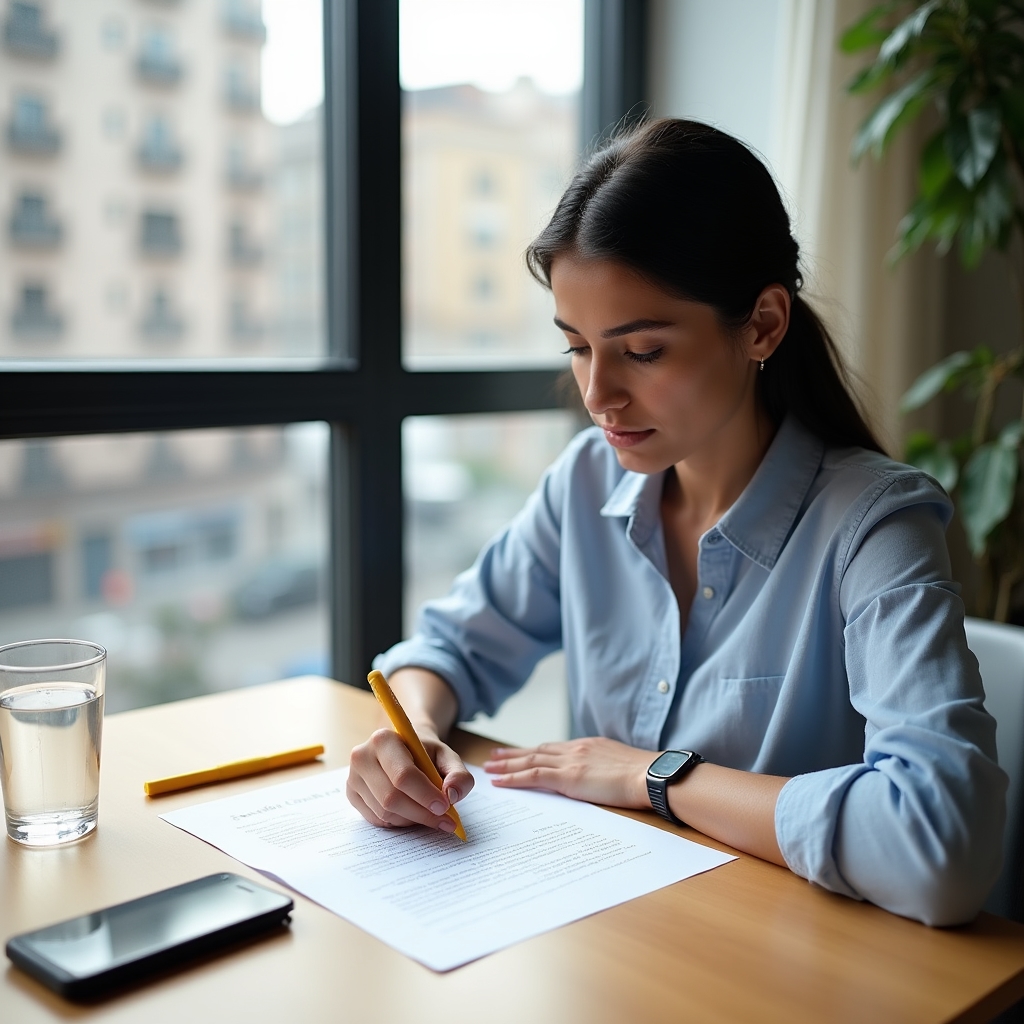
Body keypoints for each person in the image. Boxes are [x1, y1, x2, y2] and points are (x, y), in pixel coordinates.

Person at [347, 118, 1006, 926]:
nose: (597, 396)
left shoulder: (875, 526)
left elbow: (940, 848)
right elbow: (446, 649)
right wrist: (411, 735)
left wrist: (651, 775)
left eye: (643, 351)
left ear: (763, 324)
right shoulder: (584, 484)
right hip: (618, 941)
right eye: (577, 348)